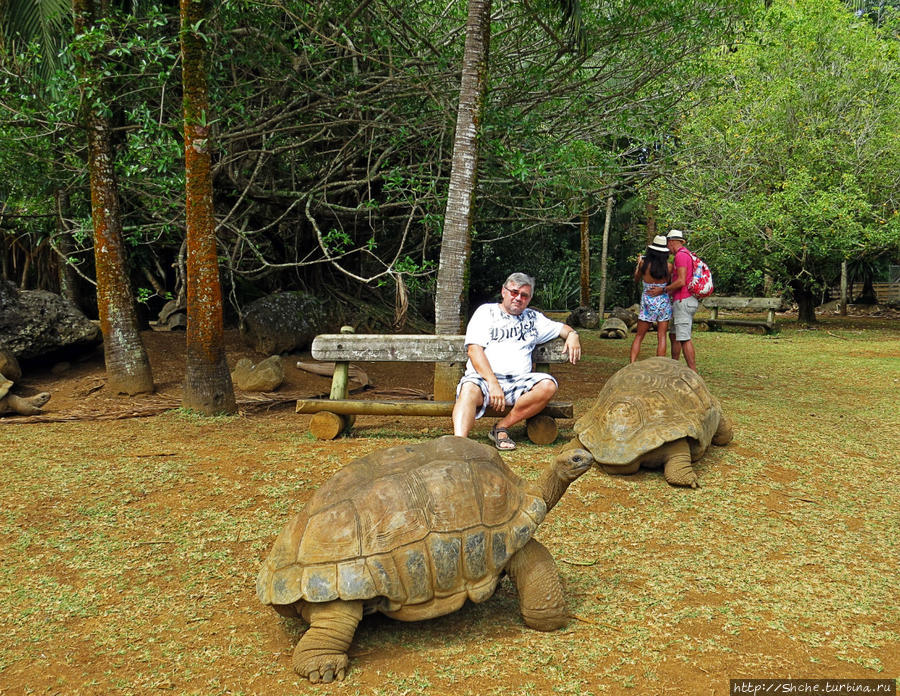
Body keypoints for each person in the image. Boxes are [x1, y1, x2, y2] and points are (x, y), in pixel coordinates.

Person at [452, 272, 581, 450]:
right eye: (514, 292)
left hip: (518, 383)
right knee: (467, 390)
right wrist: (492, 382)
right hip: (482, 380)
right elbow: (474, 351)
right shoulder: (486, 312)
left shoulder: (534, 319)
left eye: (524, 295)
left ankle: (501, 427)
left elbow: (562, 329)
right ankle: (459, 444)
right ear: (503, 291)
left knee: (548, 385)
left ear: (529, 299)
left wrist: (573, 335)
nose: (518, 298)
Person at [647, 229, 698, 371]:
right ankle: (674, 365)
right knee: (674, 335)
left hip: (684, 299)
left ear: (671, 242)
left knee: (683, 337)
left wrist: (663, 290)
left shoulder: (681, 256)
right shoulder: (686, 255)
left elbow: (681, 281)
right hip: (682, 300)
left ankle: (693, 373)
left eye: (667, 245)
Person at [629, 235, 673, 363]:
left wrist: (638, 265)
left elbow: (636, 280)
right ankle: (660, 364)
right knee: (662, 336)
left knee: (639, 336)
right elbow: (669, 283)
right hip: (663, 301)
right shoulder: (669, 267)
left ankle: (632, 362)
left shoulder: (644, 264)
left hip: (647, 302)